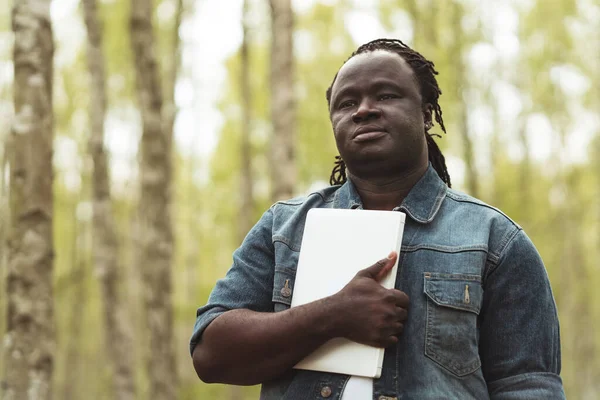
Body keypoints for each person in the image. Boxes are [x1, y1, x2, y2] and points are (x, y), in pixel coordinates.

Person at [190, 38, 565, 399]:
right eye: (346, 102)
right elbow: (210, 354)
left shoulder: (496, 240)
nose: (363, 110)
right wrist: (332, 315)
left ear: (427, 113)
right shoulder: (284, 228)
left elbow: (528, 385)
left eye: (386, 95)